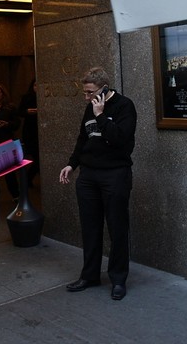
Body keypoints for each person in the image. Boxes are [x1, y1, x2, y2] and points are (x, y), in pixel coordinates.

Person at [59, 67, 137, 302]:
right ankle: (89, 275)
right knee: (90, 228)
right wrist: (72, 164)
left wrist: (101, 115)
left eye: (90, 92)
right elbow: (83, 139)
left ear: (104, 89)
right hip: (88, 176)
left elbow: (121, 140)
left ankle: (118, 279)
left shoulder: (125, 106)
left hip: (115, 175)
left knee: (117, 228)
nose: (86, 97)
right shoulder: (88, 107)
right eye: (84, 92)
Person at [16, 78, 40, 187]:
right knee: (34, 156)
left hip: (42, 130)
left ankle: (28, 179)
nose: (37, 87)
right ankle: (27, 180)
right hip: (30, 131)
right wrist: (27, 111)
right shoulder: (27, 97)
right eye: (35, 85)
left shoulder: (43, 98)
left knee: (39, 159)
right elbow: (20, 112)